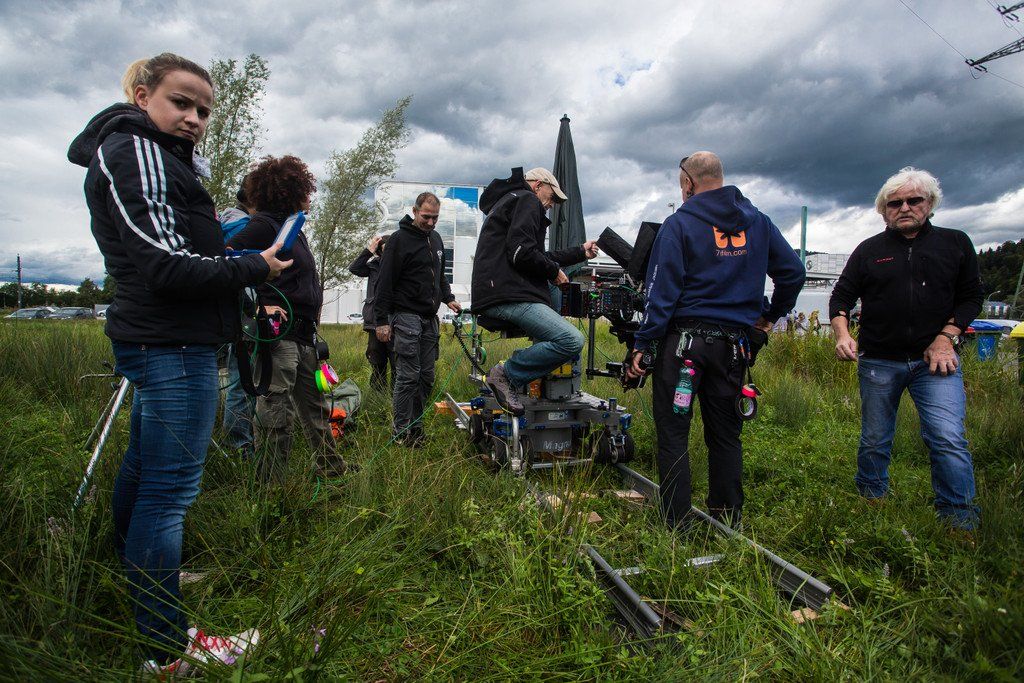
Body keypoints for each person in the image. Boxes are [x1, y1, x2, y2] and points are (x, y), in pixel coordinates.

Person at [67, 53, 291, 674]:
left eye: (204, 111)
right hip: (172, 343)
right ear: (143, 96)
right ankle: (166, 648)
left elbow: (178, 249)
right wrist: (255, 267)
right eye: (181, 102)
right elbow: (165, 265)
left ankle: (144, 579)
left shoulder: (162, 158)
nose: (194, 118)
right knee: (168, 495)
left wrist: (232, 258)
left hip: (166, 339)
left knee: (144, 472)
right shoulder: (136, 151)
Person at [626, 152, 805, 531]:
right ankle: (727, 521)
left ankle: (677, 525)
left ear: (688, 183)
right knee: (725, 436)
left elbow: (661, 293)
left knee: (674, 434)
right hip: (733, 349)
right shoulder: (759, 222)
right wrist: (769, 318)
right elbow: (793, 272)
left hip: (683, 348)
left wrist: (643, 344)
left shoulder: (679, 224)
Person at [829, 167, 983, 531]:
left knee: (947, 437)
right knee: (875, 437)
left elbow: (971, 296)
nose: (904, 208)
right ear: (883, 210)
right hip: (879, 360)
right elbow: (841, 297)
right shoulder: (870, 250)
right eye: (894, 203)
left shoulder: (955, 244)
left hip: (936, 361)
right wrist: (842, 333)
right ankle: (871, 499)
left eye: (914, 200)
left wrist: (946, 336)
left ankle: (958, 520)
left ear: (930, 203)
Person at [228, 155, 353, 481]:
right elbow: (225, 263)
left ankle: (331, 469)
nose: (310, 196)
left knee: (316, 410)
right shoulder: (264, 225)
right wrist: (255, 308)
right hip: (278, 338)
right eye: (306, 190)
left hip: (304, 337)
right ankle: (270, 488)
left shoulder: (293, 229)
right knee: (275, 412)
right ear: (289, 191)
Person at [470, 167, 598, 415]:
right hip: (508, 293)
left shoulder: (512, 200)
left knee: (555, 313)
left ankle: (529, 381)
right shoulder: (527, 199)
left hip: (498, 290)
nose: (552, 204)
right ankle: (505, 374)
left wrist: (580, 252)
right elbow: (522, 253)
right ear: (538, 185)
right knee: (571, 340)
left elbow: (535, 254)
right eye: (552, 197)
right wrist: (553, 272)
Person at [374, 193, 461, 446]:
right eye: (426, 217)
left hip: (429, 319)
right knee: (408, 376)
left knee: (426, 378)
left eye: (435, 218)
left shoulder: (436, 239)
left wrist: (448, 297)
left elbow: (440, 276)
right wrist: (381, 320)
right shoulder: (398, 240)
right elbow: (384, 282)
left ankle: (416, 428)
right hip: (406, 317)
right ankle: (401, 432)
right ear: (414, 211)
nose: (431, 222)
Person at [219, 179, 256, 455]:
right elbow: (243, 273)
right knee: (242, 379)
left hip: (229, 310)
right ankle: (239, 445)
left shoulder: (227, 221)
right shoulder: (243, 227)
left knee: (237, 377)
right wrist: (254, 307)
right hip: (243, 311)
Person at [348, 234, 394, 392]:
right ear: (379, 251)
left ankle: (395, 398)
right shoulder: (373, 266)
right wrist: (369, 250)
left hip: (395, 321)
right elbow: (354, 268)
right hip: (375, 323)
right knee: (377, 361)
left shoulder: (401, 265)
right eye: (383, 250)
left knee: (397, 362)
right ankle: (378, 397)